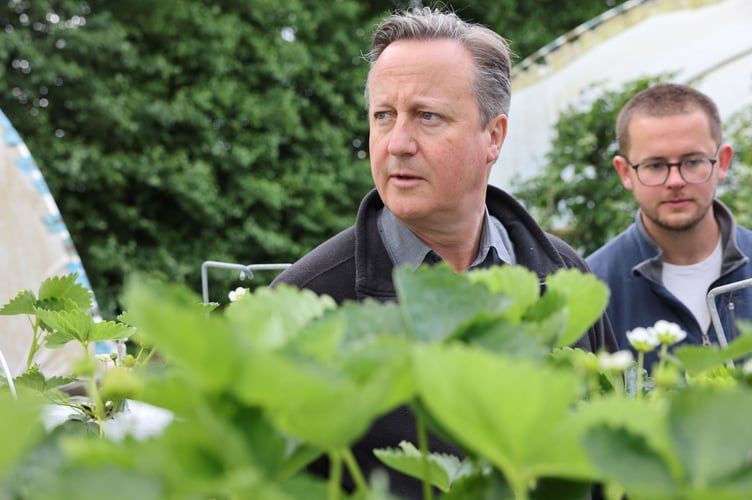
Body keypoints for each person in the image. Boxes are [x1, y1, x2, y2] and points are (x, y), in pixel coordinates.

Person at [272, 7, 616, 497]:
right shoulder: (308, 301)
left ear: (493, 136)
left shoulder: (565, 280)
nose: (397, 144)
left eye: (427, 116)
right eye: (383, 116)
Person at [587, 83, 752, 369]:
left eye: (693, 161)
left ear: (722, 162)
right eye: (655, 165)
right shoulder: (593, 290)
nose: (675, 180)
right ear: (625, 173)